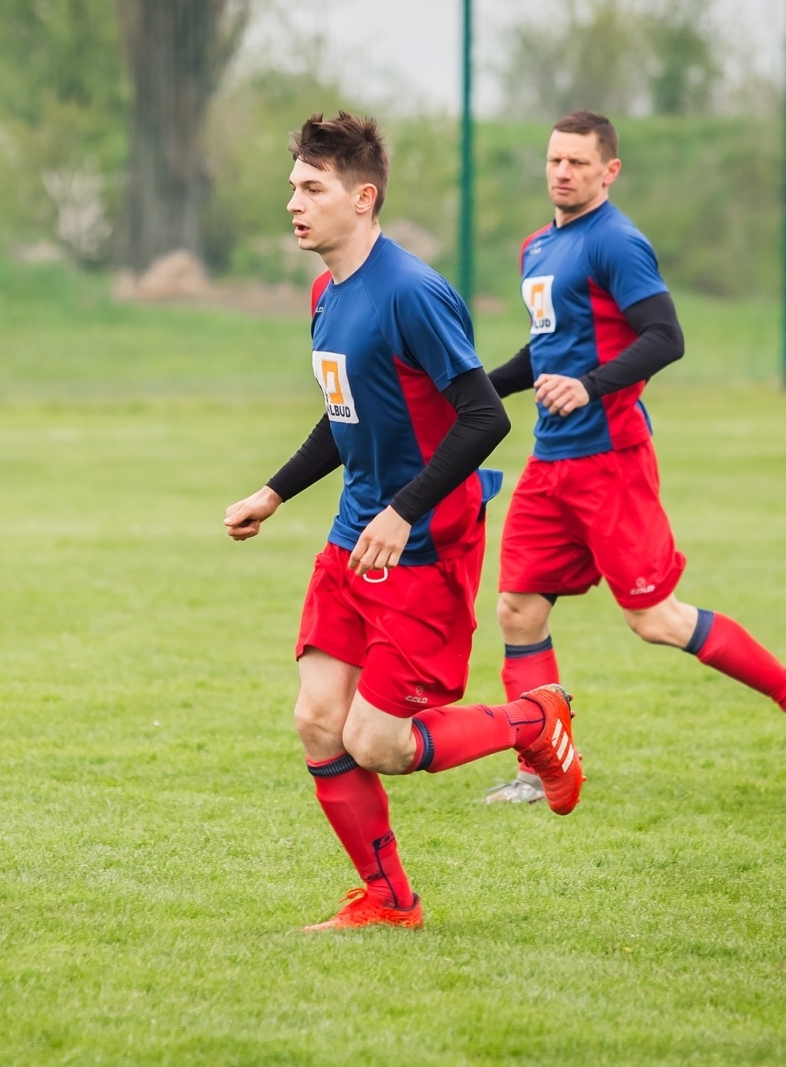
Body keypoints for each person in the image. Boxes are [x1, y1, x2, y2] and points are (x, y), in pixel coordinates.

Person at [224, 112, 585, 932]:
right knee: (318, 719)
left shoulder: (413, 293)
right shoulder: (326, 292)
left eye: (311, 188)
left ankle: (537, 719)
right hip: (356, 539)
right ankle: (391, 901)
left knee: (380, 740)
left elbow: (484, 417)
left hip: (423, 546)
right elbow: (342, 417)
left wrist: (403, 509)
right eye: (292, 186)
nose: (295, 203)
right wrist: (274, 493)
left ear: (363, 196)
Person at [479, 110, 786, 807]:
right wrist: (475, 391)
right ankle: (541, 766)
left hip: (609, 460)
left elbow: (665, 336)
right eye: (555, 160)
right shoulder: (536, 247)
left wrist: (588, 386)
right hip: (549, 462)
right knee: (518, 610)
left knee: (655, 619)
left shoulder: (617, 242)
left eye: (578, 163)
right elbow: (546, 352)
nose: (562, 172)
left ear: (609, 171)